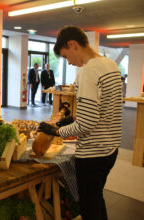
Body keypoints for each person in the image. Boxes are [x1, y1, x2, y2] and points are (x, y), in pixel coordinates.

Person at [39, 26, 122, 220]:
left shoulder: (88, 72)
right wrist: (70, 119)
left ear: (72, 44)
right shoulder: (110, 65)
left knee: (89, 208)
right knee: (96, 199)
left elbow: (87, 123)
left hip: (93, 154)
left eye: (66, 56)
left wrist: (57, 131)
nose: (69, 63)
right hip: (110, 149)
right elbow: (104, 110)